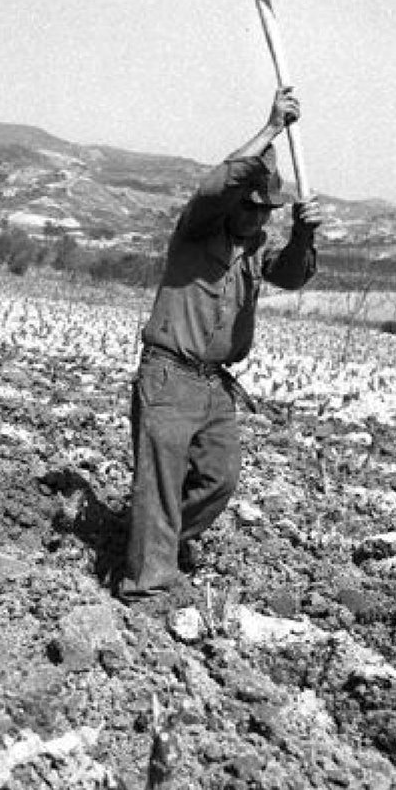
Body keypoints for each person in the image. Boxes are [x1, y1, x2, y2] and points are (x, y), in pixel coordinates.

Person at [117, 88, 323, 607]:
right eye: (250, 207)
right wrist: (272, 127)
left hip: (214, 385)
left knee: (219, 478)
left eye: (266, 211)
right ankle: (145, 586)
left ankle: (153, 540)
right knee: (160, 484)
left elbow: (294, 276)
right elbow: (215, 186)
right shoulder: (196, 230)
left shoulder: (256, 248)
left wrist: (302, 236)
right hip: (169, 374)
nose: (257, 218)